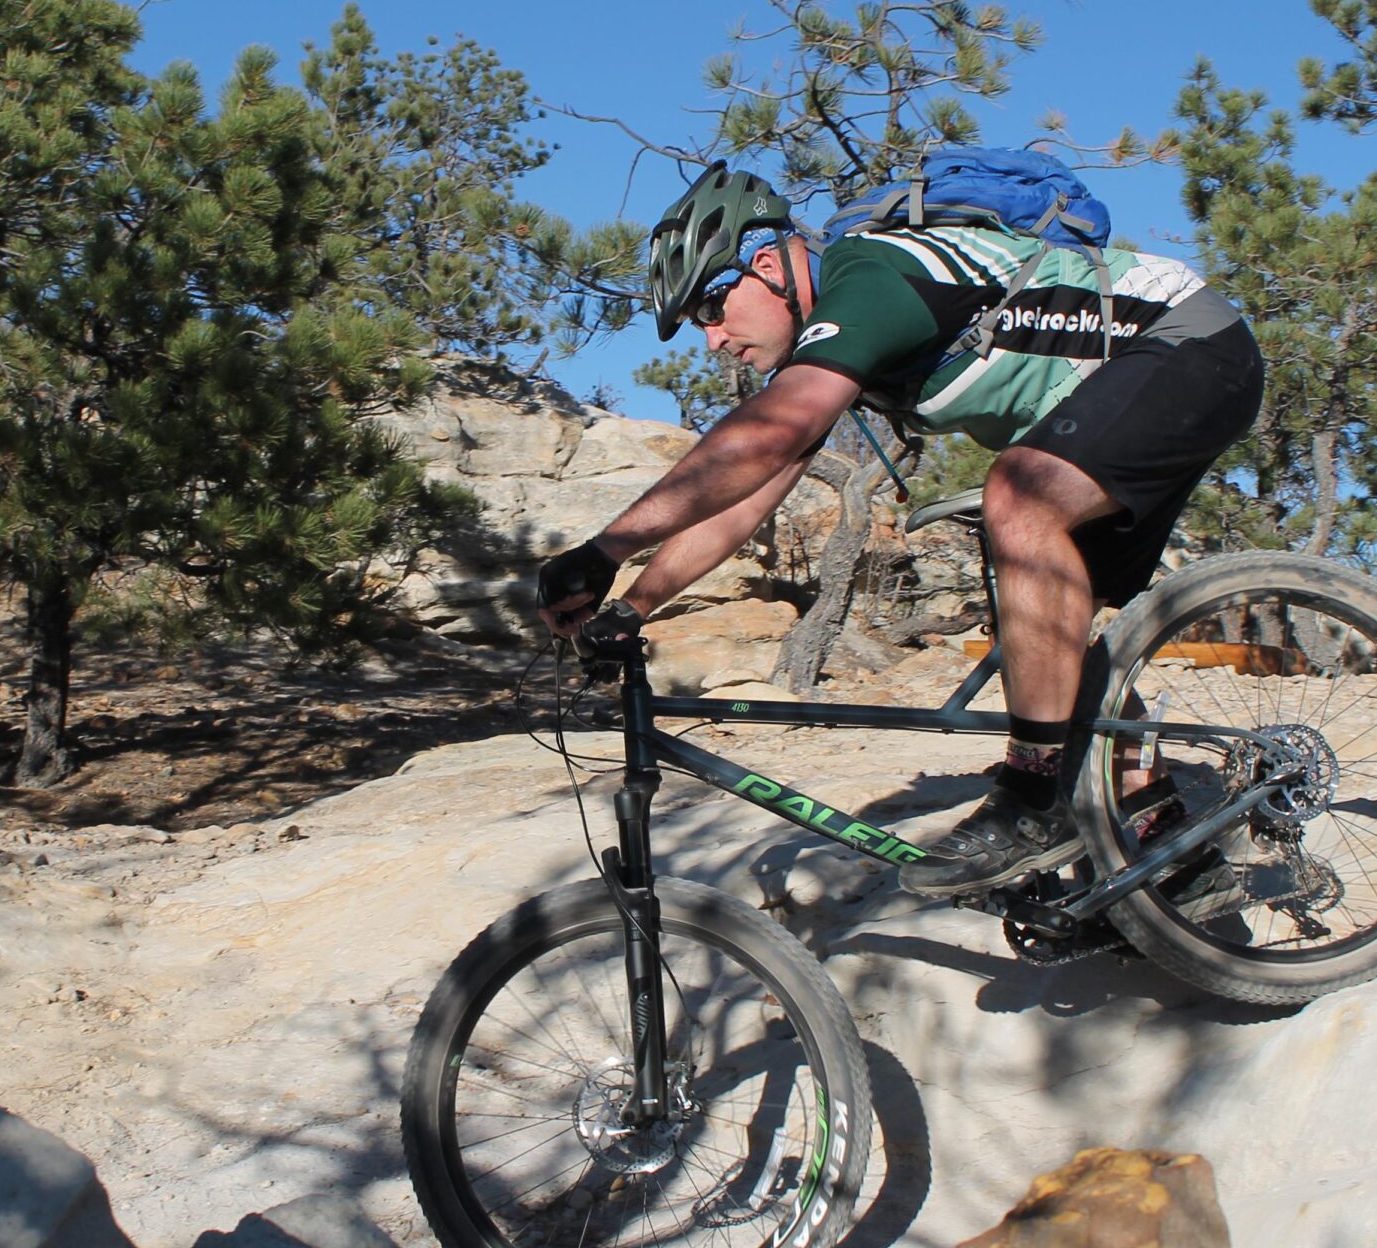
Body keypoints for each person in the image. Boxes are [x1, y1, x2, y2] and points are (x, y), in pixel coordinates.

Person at [535, 161, 1263, 895]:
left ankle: (1033, 800)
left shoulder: (872, 276)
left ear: (765, 264)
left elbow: (768, 436)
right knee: (1048, 638)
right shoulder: (840, 348)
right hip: (1115, 399)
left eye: (712, 308)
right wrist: (634, 604)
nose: (713, 339)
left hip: (1188, 344)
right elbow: (744, 497)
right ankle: (1174, 862)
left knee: (1018, 495)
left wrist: (605, 548)